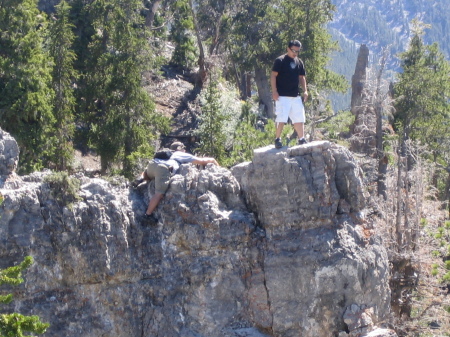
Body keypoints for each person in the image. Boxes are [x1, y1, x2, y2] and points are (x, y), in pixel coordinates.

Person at [134, 141, 219, 225]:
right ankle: (148, 215)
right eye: (183, 149)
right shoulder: (180, 154)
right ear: (180, 149)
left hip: (151, 166)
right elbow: (201, 161)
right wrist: (213, 160)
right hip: (162, 169)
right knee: (159, 193)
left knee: (151, 173)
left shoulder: (168, 153)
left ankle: (141, 178)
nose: (185, 151)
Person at [270, 40, 309, 149]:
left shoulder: (299, 62)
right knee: (281, 118)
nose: (295, 53)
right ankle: (277, 139)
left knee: (299, 118)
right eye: (293, 50)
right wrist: (274, 91)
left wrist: (305, 90)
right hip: (282, 95)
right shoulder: (280, 61)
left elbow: (302, 77)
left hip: (295, 95)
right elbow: (273, 75)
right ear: (288, 48)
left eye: (297, 51)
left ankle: (302, 139)